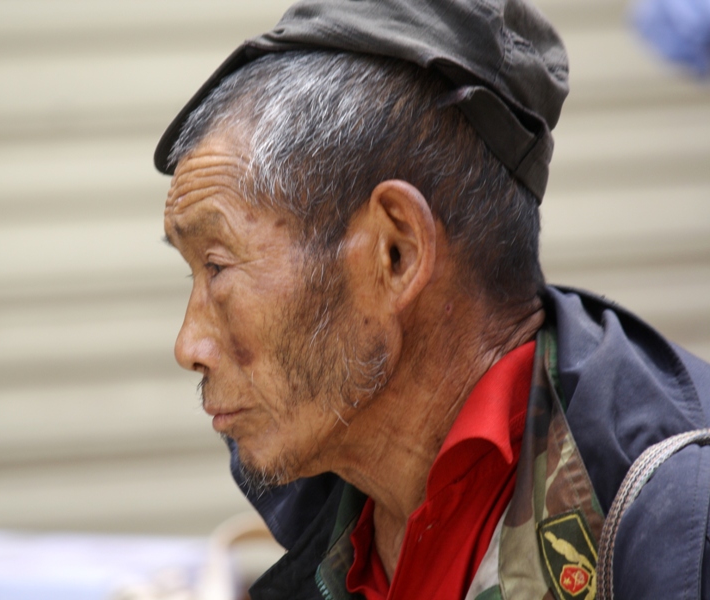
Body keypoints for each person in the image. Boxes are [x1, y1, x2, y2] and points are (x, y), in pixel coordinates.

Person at [154, 0, 710, 598]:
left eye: (217, 265)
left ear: (395, 254)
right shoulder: (332, 499)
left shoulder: (672, 526)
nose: (189, 345)